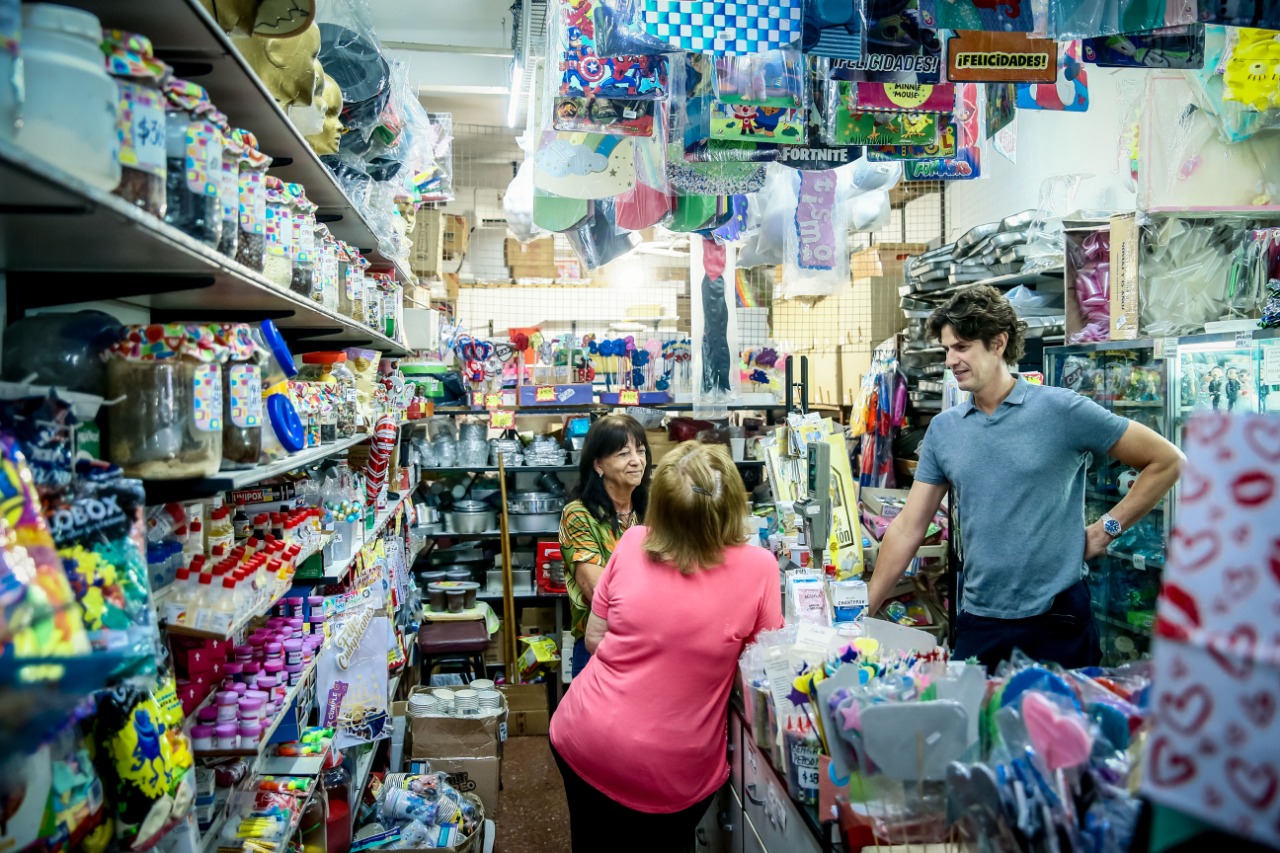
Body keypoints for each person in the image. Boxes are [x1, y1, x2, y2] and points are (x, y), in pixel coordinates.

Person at [866, 286, 1183, 671]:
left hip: (1056, 620)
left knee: (1060, 729)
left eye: (962, 346)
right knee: (978, 728)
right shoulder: (944, 431)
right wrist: (864, 607)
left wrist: (1105, 530)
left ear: (998, 343)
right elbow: (907, 529)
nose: (951, 360)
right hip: (980, 620)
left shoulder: (1062, 410)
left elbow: (1166, 460)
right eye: (947, 349)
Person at [549, 442, 783, 852]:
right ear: (732, 505)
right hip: (671, 772)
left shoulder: (634, 540)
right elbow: (767, 668)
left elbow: (595, 637)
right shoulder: (760, 566)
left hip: (584, 737)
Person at [558, 413, 652, 677]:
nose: (636, 461)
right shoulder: (579, 514)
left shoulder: (653, 510)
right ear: (598, 464)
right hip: (598, 646)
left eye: (641, 451)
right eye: (623, 454)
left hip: (652, 644)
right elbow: (596, 589)